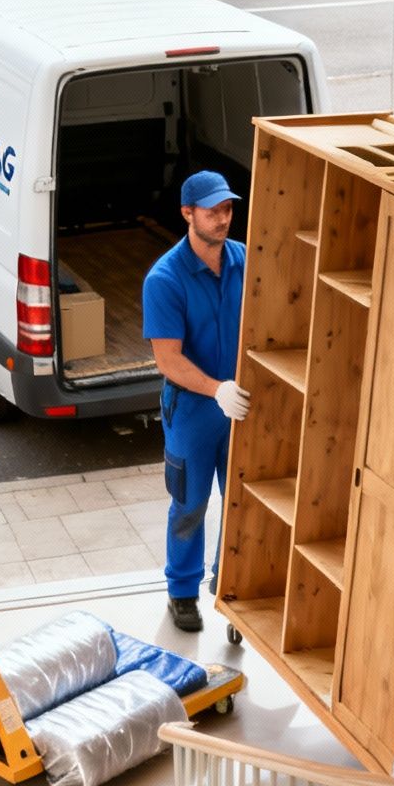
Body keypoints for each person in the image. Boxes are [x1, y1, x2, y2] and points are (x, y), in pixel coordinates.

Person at [142, 171, 252, 633]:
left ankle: (232, 592)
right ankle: (182, 591)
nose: (223, 219)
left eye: (227, 209)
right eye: (212, 212)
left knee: (243, 502)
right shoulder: (165, 279)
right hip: (192, 408)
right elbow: (168, 359)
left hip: (241, 403)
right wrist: (217, 390)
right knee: (190, 503)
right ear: (188, 213)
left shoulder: (246, 259)